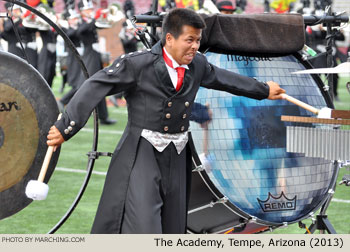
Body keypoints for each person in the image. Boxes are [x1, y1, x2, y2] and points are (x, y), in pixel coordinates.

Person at [47, 8, 285, 234]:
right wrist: (66, 127)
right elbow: (93, 87)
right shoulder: (137, 64)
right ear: (169, 38)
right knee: (144, 224)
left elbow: (225, 79)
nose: (194, 47)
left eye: (198, 40)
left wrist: (263, 89)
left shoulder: (198, 64)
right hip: (141, 154)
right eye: (189, 40)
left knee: (173, 225)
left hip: (179, 155)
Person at [75, 0, 116, 125]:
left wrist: (104, 17)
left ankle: (103, 116)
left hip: (95, 54)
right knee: (89, 86)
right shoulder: (80, 21)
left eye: (90, 9)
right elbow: (80, 31)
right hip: (89, 55)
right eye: (87, 10)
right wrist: (95, 18)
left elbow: (102, 25)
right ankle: (76, 114)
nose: (90, 11)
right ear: (81, 11)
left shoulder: (90, 21)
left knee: (99, 84)